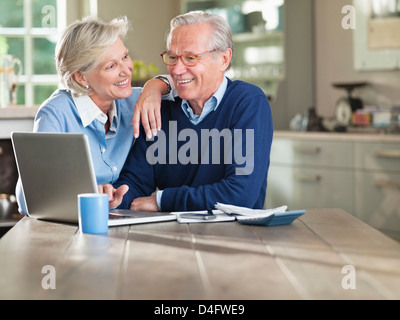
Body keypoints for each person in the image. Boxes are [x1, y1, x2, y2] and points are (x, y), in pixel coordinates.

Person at [102, 11, 273, 212]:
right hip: (173, 235)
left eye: (190, 58)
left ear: (224, 59)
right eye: (172, 57)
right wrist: (116, 197)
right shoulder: (162, 107)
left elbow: (240, 195)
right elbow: (137, 182)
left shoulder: (247, 102)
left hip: (234, 236)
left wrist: (162, 200)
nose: (176, 69)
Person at [16, 16, 176, 215]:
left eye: (125, 56)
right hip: (70, 227)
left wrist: (155, 85)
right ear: (81, 77)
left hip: (117, 219)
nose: (126, 70)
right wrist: (88, 194)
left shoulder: (134, 99)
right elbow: (27, 200)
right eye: (111, 66)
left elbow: (186, 81)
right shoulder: (56, 114)